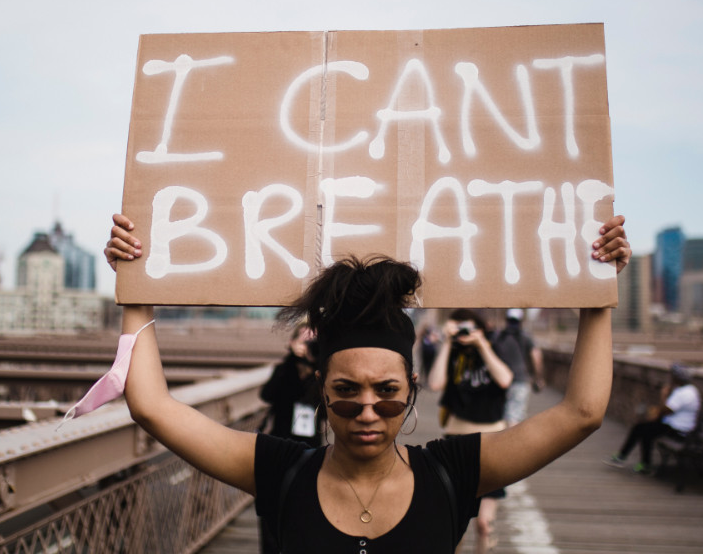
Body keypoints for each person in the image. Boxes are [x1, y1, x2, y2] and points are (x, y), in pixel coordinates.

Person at [103, 212, 629, 552]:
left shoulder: (454, 472)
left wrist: (597, 294)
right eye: (347, 393)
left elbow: (581, 412)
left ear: (413, 387)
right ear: (323, 391)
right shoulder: (279, 470)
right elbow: (152, 407)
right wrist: (137, 287)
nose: (369, 411)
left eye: (387, 393)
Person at [427, 308, 514, 554]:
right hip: (456, 441)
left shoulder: (494, 347)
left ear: (480, 327)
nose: (464, 333)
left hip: (492, 441)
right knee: (456, 524)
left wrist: (481, 344)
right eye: (458, 327)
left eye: (468, 327)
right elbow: (435, 384)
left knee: (484, 524)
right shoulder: (451, 353)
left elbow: (505, 379)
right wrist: (447, 343)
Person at [604, 362, 701, 474]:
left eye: (673, 376)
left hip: (678, 430)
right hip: (674, 425)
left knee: (645, 432)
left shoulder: (685, 393)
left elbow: (665, 411)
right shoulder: (689, 390)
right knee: (640, 428)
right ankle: (627, 458)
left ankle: (639, 462)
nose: (671, 378)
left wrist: (663, 395)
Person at [260, 323, 322, 448]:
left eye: (313, 342)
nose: (309, 345)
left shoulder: (320, 374)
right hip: (282, 439)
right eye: (305, 341)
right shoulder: (285, 369)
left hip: (310, 443)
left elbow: (325, 407)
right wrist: (291, 358)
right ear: (292, 343)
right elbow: (266, 395)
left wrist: (317, 363)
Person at [495, 309, 545, 426]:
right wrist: (538, 377)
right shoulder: (525, 337)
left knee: (501, 415)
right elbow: (536, 357)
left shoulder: (498, 337)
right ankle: (513, 442)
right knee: (515, 415)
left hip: (500, 381)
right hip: (521, 380)